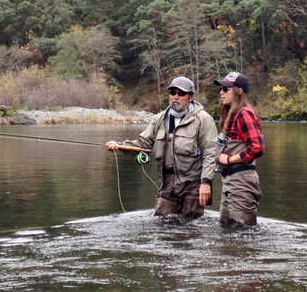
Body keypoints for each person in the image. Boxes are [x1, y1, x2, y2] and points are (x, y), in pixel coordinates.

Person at [106, 77, 218, 219]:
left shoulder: (203, 119)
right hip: (167, 182)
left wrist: (206, 182)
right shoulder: (160, 119)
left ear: (191, 97)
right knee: (162, 223)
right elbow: (143, 143)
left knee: (193, 229)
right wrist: (120, 145)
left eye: (181, 93)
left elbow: (210, 153)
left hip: (193, 184)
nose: (175, 97)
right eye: (172, 93)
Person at [213, 71, 264, 227]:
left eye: (226, 89)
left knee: (242, 233)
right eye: (221, 89)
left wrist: (229, 159)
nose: (221, 92)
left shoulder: (244, 114)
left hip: (242, 181)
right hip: (229, 180)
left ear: (239, 91)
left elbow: (257, 148)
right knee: (226, 228)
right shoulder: (232, 114)